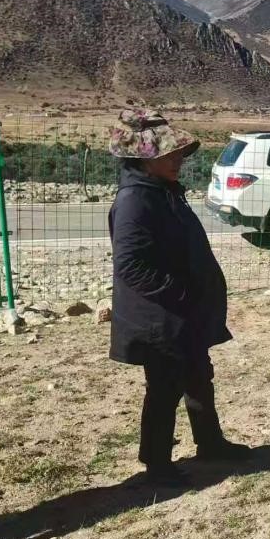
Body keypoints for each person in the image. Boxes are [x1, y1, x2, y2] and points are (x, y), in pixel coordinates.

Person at [107, 109, 250, 487]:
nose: (178, 160)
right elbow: (130, 266)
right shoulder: (136, 200)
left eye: (177, 153)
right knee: (164, 387)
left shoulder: (161, 191)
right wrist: (182, 293)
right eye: (168, 154)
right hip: (160, 317)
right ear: (143, 158)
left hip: (181, 314)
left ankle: (210, 443)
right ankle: (157, 463)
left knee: (198, 376)